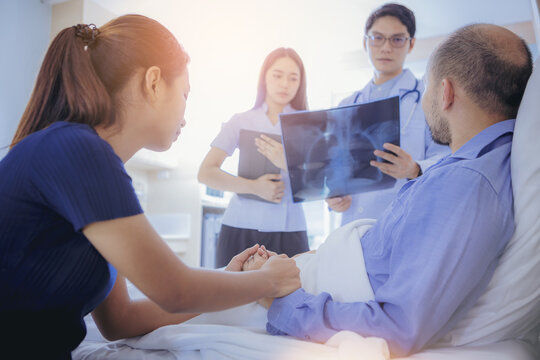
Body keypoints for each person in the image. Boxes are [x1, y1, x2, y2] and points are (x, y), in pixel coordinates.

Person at [0, 15, 301, 359]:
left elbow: (120, 320)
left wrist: (229, 276)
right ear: (154, 82)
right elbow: (174, 290)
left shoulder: (89, 160)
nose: (186, 117)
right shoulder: (78, 150)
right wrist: (269, 280)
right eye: (185, 95)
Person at [257, 24, 533, 357]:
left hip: (319, 290)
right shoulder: (480, 162)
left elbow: (398, 326)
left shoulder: (466, 184)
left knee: (205, 296)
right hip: (335, 254)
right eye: (377, 37)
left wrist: (284, 300)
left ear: (445, 91)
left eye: (429, 85)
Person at [326, 3, 449, 225]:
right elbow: (334, 170)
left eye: (397, 39)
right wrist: (333, 197)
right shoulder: (348, 104)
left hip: (403, 224)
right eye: (377, 38)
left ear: (411, 44)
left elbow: (447, 158)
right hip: (352, 227)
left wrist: (415, 168)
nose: (386, 47)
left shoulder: (428, 98)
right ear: (365, 43)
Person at [198, 47, 310, 268]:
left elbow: (318, 184)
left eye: (293, 78)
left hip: (290, 230)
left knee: (290, 299)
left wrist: (287, 163)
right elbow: (206, 173)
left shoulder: (308, 125)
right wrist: (254, 187)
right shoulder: (241, 121)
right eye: (277, 75)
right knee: (233, 298)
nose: (285, 84)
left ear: (300, 83)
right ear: (264, 77)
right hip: (240, 227)